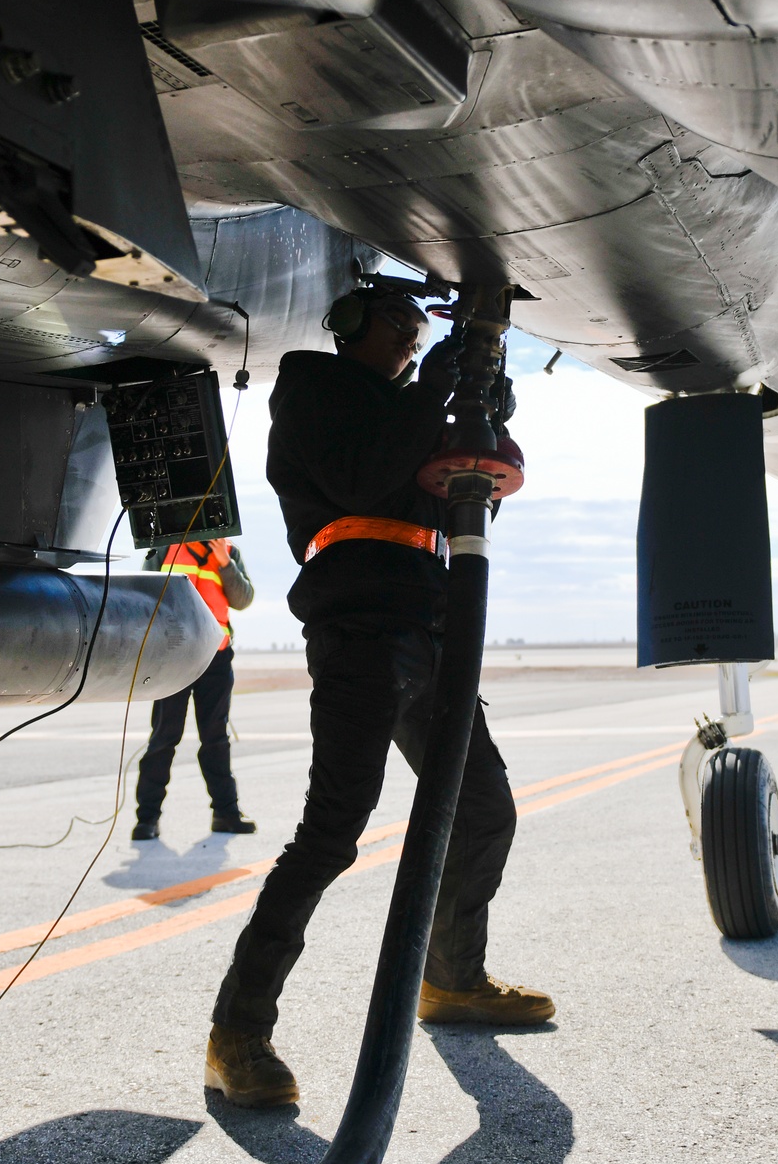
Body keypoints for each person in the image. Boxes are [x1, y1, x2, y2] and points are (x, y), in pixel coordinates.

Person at [205, 285, 554, 1107]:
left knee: (483, 809)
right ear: (353, 326)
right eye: (399, 324)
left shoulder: (411, 410)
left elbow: (462, 506)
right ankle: (238, 1034)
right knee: (332, 834)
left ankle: (452, 981)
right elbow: (362, 476)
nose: (409, 338)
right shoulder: (314, 391)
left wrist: (481, 419)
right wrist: (441, 383)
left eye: (418, 329)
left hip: (434, 623)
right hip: (361, 625)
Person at [131, 539, 256, 840]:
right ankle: (146, 820)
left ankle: (226, 814)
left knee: (215, 737)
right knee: (164, 737)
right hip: (173, 656)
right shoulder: (163, 548)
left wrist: (224, 562)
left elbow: (242, 599)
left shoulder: (229, 551)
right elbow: (144, 597)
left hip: (216, 656)